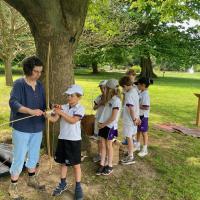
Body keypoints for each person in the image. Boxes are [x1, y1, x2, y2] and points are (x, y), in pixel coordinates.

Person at [9, 56, 46, 199]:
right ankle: (13, 186)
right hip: (21, 128)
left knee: (34, 155)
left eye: (40, 72)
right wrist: (30, 111)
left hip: (37, 127)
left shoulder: (40, 86)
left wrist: (49, 112)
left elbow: (43, 105)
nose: (38, 74)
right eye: (36, 71)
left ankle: (32, 179)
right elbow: (13, 103)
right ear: (28, 70)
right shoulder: (19, 84)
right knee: (19, 157)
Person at [46, 84, 85, 200]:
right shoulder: (63, 106)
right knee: (63, 163)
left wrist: (61, 111)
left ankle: (78, 187)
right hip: (62, 138)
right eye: (68, 95)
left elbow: (73, 120)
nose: (68, 98)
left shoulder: (80, 108)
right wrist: (47, 115)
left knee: (76, 165)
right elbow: (54, 119)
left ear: (78, 97)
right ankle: (63, 183)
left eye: (71, 95)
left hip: (74, 141)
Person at [96, 79, 121, 176]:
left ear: (111, 89)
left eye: (105, 88)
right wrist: (101, 123)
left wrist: (103, 124)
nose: (103, 89)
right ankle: (102, 163)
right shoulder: (108, 99)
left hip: (109, 126)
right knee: (102, 144)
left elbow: (113, 117)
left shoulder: (116, 100)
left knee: (108, 146)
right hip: (103, 124)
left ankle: (109, 165)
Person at [119, 76, 140, 164]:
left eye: (122, 87)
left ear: (125, 85)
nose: (122, 89)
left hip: (130, 119)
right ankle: (130, 152)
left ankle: (131, 156)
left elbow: (131, 108)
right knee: (130, 136)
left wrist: (134, 119)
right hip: (135, 117)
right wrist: (136, 118)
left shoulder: (129, 94)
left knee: (129, 137)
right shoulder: (134, 90)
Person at [135, 77, 153, 157]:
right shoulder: (141, 92)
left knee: (144, 133)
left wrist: (136, 105)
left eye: (138, 84)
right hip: (139, 115)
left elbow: (146, 107)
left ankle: (145, 149)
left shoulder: (145, 95)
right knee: (138, 130)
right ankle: (137, 145)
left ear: (143, 85)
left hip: (143, 116)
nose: (137, 86)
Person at [92, 80, 107, 163]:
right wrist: (100, 103)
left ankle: (106, 155)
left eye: (103, 87)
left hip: (106, 122)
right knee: (98, 139)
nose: (102, 89)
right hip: (98, 120)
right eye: (101, 87)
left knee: (105, 140)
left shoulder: (111, 98)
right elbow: (94, 108)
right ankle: (100, 154)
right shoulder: (99, 97)